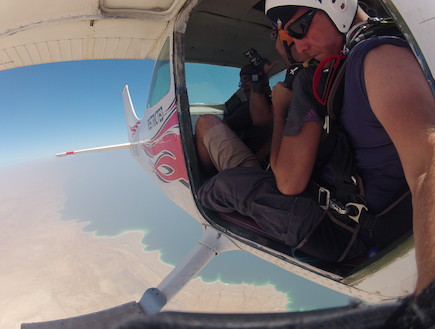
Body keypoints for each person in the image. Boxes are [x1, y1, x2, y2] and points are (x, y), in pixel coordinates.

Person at [198, 0, 435, 276]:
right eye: (290, 39)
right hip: (354, 218)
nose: (300, 48)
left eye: (300, 27)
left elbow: (426, 161)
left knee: (223, 186)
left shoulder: (376, 55)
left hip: (341, 231)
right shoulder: (361, 53)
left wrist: (280, 109)